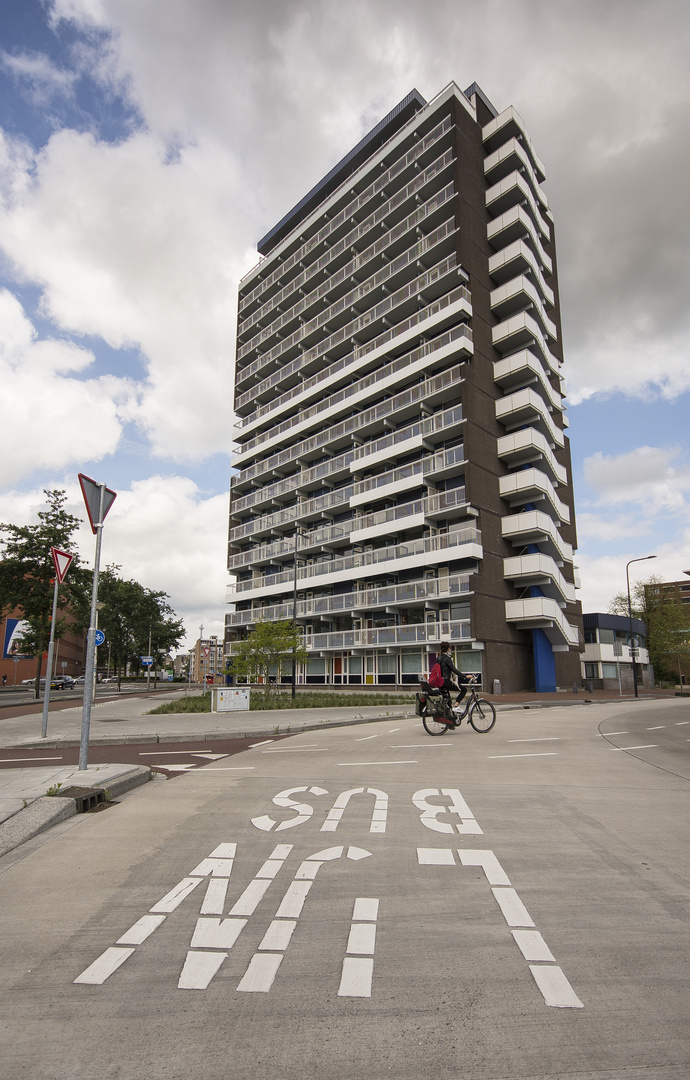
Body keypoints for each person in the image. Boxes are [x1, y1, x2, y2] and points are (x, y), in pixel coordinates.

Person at [437, 641, 475, 715]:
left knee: (448, 703)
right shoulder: (447, 659)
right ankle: (457, 705)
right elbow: (454, 670)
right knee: (464, 689)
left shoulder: (438, 658)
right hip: (446, 682)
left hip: (440, 682)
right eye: (450, 648)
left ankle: (450, 723)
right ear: (448, 649)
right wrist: (465, 676)